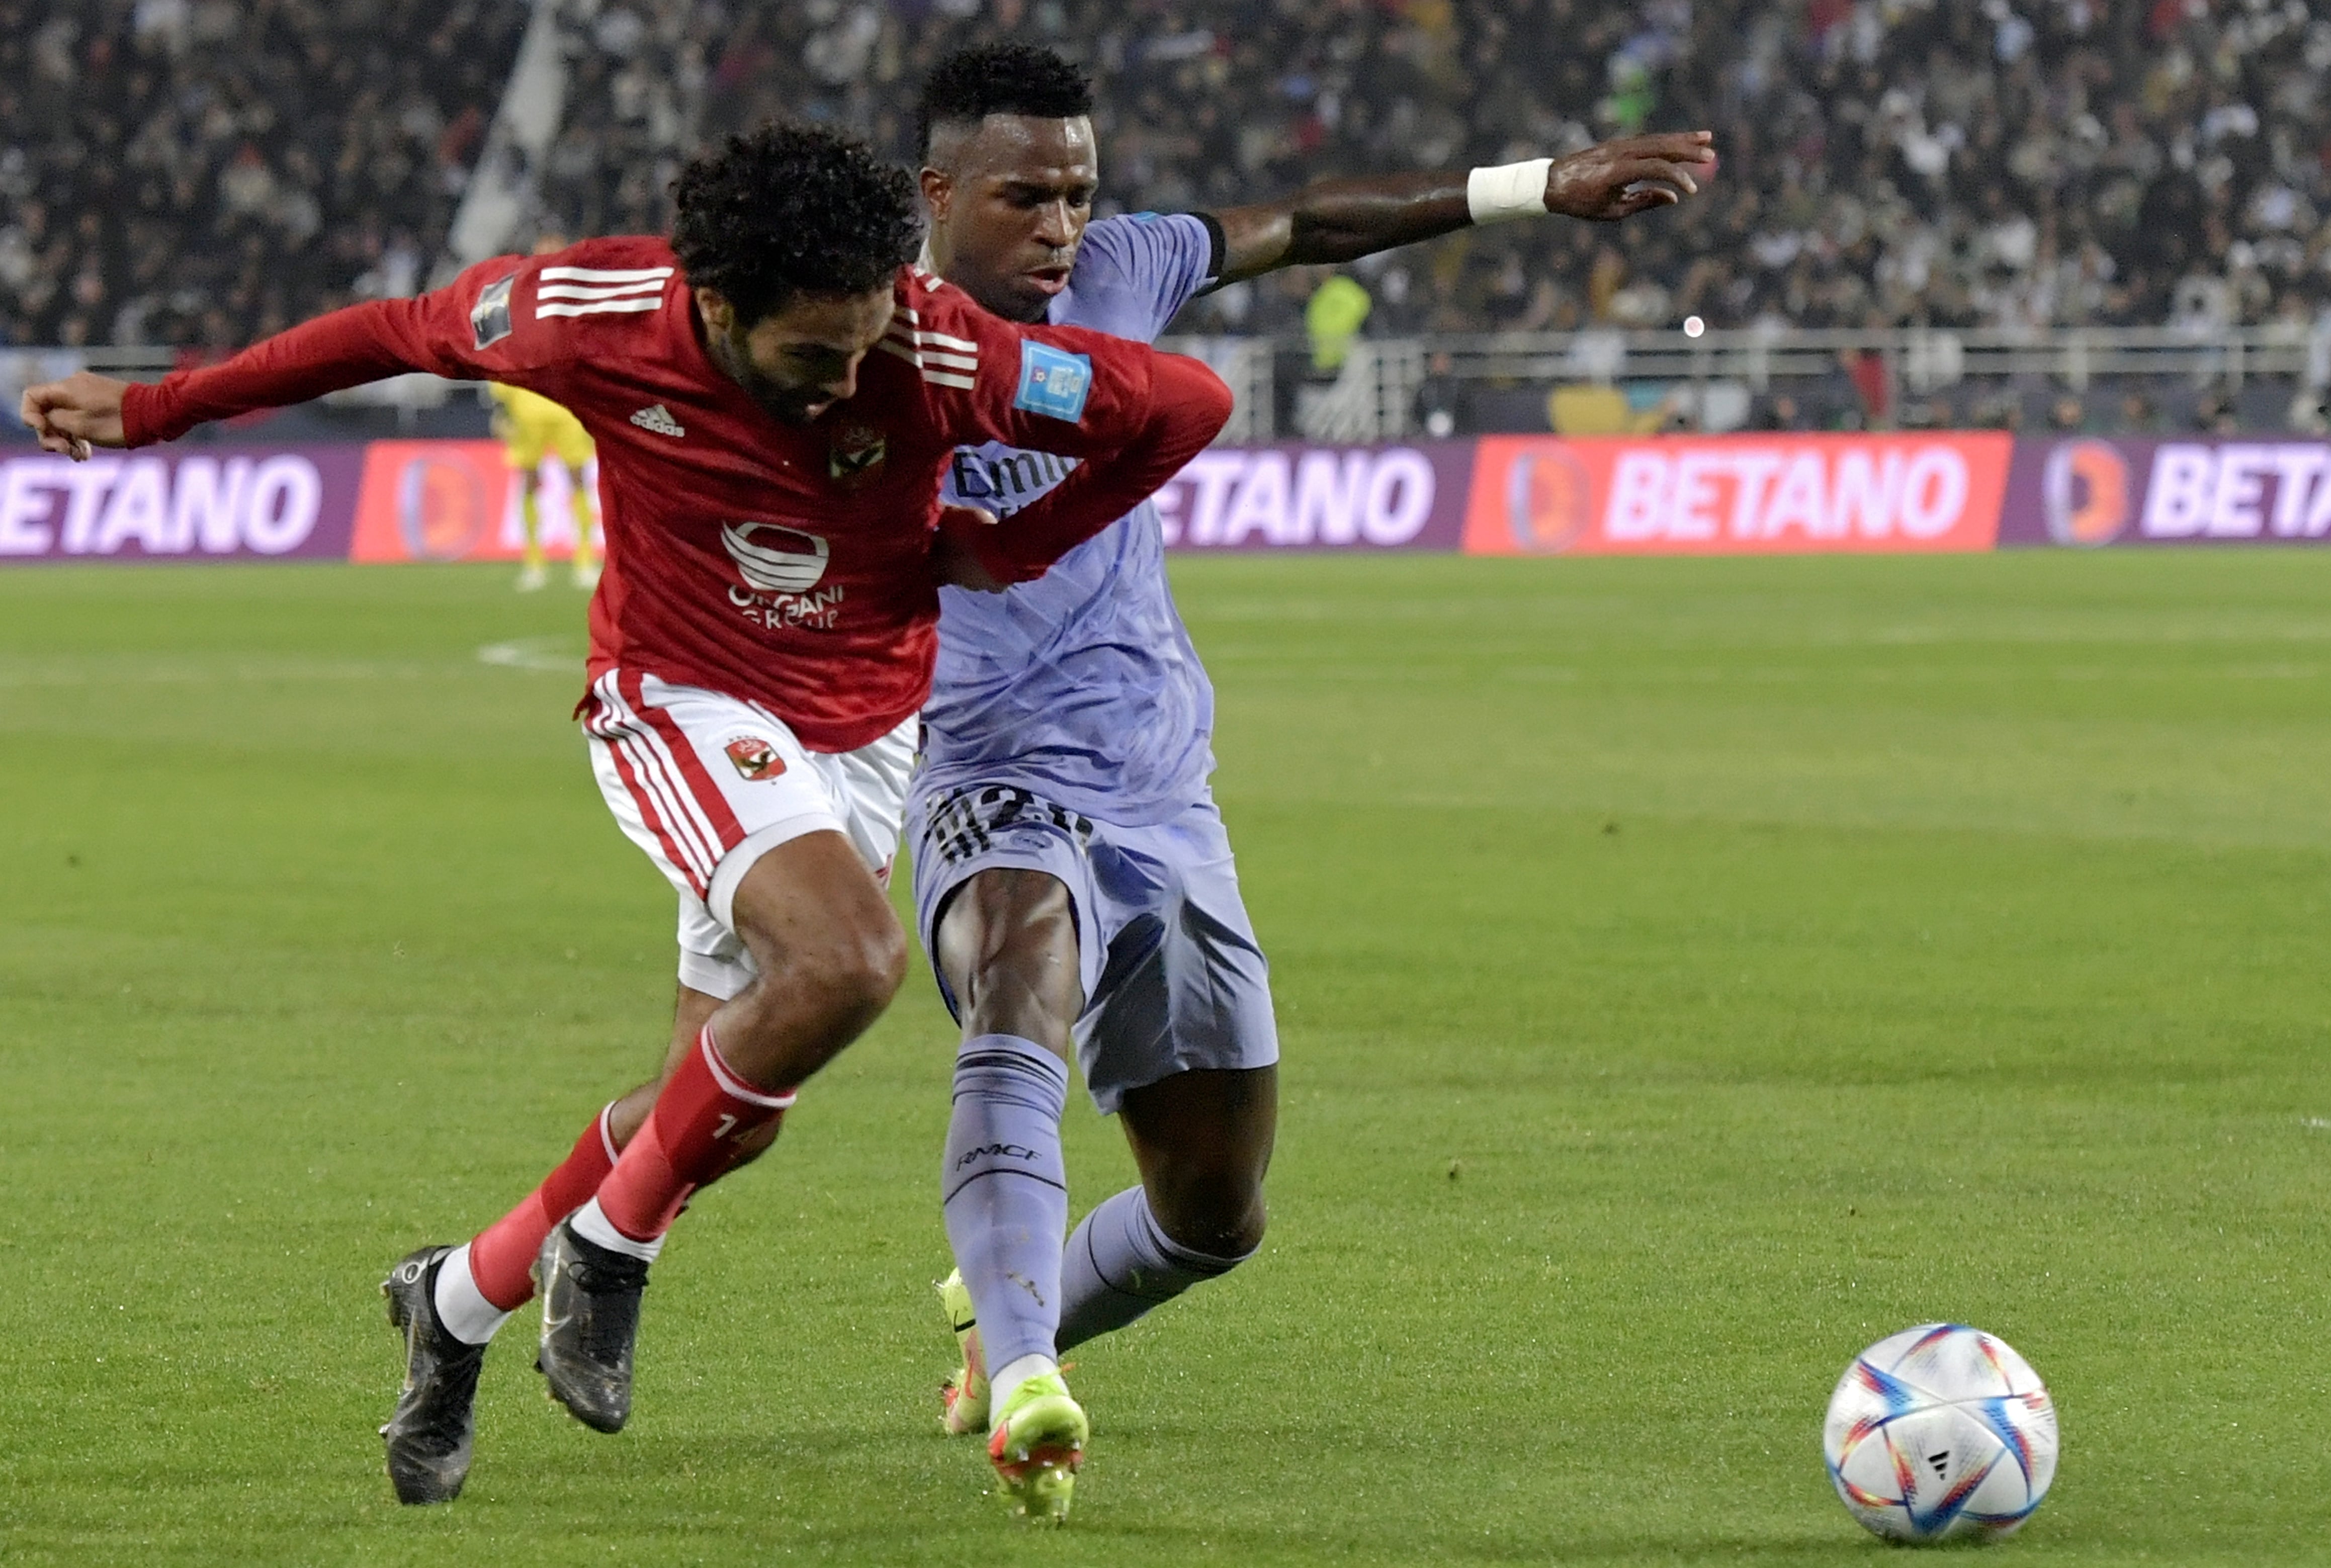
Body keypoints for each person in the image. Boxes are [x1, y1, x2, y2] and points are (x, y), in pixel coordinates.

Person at [21, 122, 1232, 1511]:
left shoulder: (938, 346)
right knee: (845, 961)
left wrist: (1023, 539)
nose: (852, 379)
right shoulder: (583, 315)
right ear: (716, 307)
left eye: (867, 341)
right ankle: (611, 1248)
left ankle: (457, 1301)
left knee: (717, 1102)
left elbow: (1183, 402)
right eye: (812, 356)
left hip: (859, 726)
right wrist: (162, 405)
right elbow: (389, 332)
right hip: (681, 692)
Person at [909, 42, 1711, 1522]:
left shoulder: (1128, 270)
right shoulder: (864, 338)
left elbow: (1307, 226)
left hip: (1163, 797)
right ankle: (1026, 1369)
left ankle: (1004, 1321)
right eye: (1024, 195)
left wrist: (1538, 186)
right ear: (935, 192)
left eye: (1077, 193)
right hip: (988, 781)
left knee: (1213, 1213)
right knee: (1015, 979)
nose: (1059, 225)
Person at [491, 376, 601, 591]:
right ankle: (534, 564)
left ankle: (586, 562)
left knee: (578, 479)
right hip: (526, 405)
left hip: (568, 406)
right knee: (530, 481)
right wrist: (501, 410)